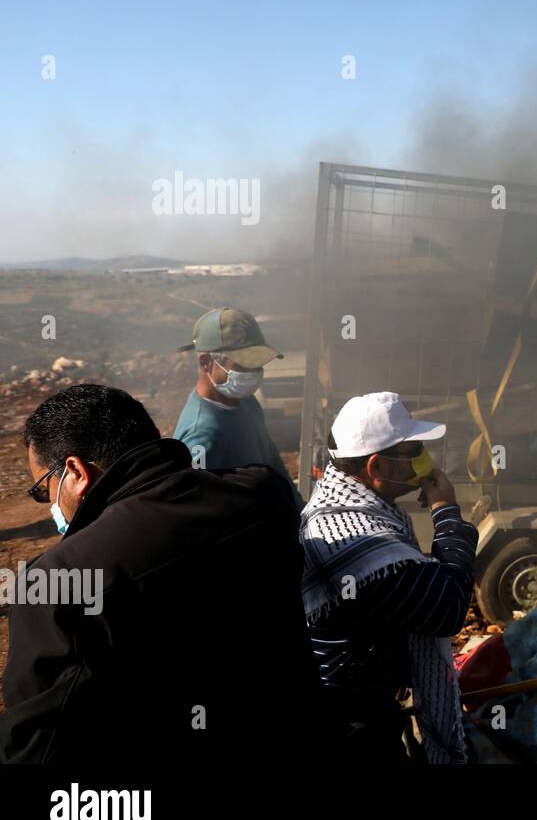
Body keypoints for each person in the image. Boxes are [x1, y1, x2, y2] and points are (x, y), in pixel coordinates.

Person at [1, 384, 319, 763]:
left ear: (75, 472)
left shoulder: (58, 581)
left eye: (43, 490)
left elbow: (36, 746)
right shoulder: (263, 495)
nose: (47, 505)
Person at [300, 392, 478, 762]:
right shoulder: (357, 541)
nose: (424, 461)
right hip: (349, 726)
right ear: (377, 467)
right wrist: (446, 512)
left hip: (363, 707)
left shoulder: (357, 506)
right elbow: (447, 607)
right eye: (413, 452)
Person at [173, 306, 301, 506]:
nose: (254, 372)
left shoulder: (246, 402)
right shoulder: (203, 434)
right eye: (243, 364)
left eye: (257, 363)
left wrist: (299, 512)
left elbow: (273, 463)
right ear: (206, 362)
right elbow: (195, 509)